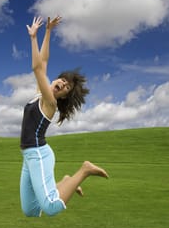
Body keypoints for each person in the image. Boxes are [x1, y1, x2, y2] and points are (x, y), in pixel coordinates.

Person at [20, 16, 109, 217]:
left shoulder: (50, 103)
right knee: (31, 210)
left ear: (62, 97)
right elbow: (43, 62)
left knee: (51, 207)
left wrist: (33, 38)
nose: (62, 85)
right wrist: (49, 31)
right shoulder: (39, 94)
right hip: (27, 156)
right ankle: (66, 181)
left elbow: (36, 68)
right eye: (62, 80)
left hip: (39, 154)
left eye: (66, 88)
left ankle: (85, 170)